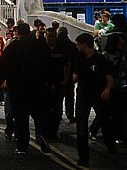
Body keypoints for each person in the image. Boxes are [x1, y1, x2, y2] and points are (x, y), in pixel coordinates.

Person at [0, 23, 51, 154]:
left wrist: (0, 82)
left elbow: (3, 65)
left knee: (21, 117)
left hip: (18, 87)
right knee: (39, 114)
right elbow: (48, 64)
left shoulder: (13, 47)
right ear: (29, 32)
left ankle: (22, 146)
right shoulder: (39, 45)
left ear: (18, 33)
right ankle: (42, 136)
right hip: (37, 86)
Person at [73, 33, 116, 167]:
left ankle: (110, 145)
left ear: (85, 44)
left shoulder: (100, 59)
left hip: (98, 94)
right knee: (81, 127)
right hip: (83, 95)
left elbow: (109, 76)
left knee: (105, 120)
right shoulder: (79, 58)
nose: (77, 47)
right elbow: (75, 75)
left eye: (79, 44)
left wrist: (107, 90)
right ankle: (83, 158)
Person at [45, 27, 70, 139]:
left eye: (53, 36)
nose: (51, 39)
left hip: (58, 83)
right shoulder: (41, 48)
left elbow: (68, 65)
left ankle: (53, 132)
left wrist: (65, 79)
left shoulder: (62, 49)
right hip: (44, 84)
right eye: (49, 36)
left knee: (57, 110)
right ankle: (45, 132)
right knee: (45, 109)